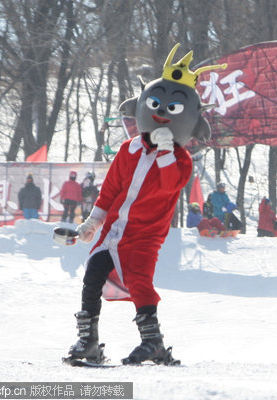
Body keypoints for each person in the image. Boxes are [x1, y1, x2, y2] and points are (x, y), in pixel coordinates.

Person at [66, 44, 222, 366]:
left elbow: (168, 187)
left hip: (144, 235)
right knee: (93, 275)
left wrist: (166, 151)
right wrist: (92, 222)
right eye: (155, 104)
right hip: (112, 232)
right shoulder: (129, 149)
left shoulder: (181, 161)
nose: (162, 113)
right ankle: (89, 341)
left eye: (174, 109)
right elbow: (110, 190)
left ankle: (153, 342)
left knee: (139, 282)